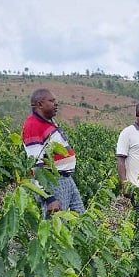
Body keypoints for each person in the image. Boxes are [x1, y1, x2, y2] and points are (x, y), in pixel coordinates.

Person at [22, 88, 84, 216]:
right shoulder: (33, 125)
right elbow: (36, 167)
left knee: (80, 221)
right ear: (39, 104)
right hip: (53, 182)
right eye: (51, 101)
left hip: (66, 179)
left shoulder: (48, 122)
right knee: (56, 227)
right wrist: (48, 197)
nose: (56, 104)